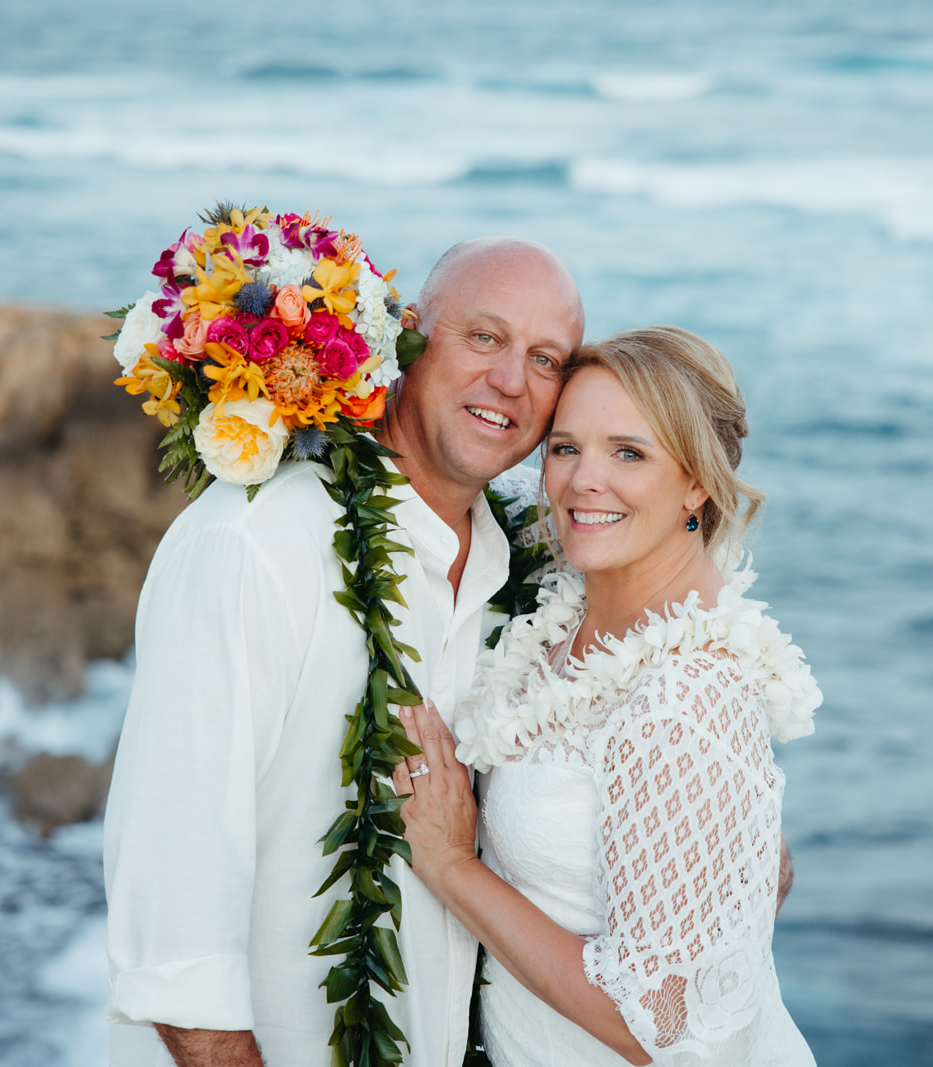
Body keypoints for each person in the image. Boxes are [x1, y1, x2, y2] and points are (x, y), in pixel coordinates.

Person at [102, 236, 586, 1067]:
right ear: (409, 335)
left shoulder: (527, 581)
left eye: (546, 359)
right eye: (484, 336)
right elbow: (173, 927)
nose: (512, 380)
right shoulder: (252, 544)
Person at [391, 326, 823, 1066]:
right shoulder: (567, 614)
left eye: (629, 453)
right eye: (565, 448)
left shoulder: (686, 695)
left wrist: (448, 863)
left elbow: (659, 1021)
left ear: (696, 482)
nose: (583, 480)